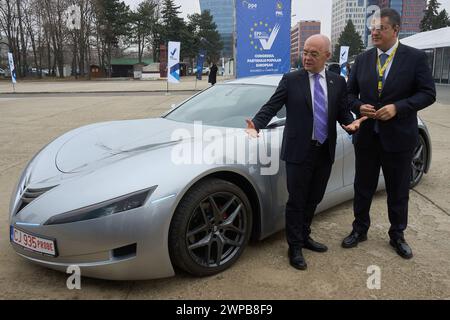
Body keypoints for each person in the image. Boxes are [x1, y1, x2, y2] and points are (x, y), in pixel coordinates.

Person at [246, 35, 366, 270]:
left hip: (324, 150)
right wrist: (257, 124)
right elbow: (273, 105)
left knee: (315, 198)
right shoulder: (291, 80)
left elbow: (342, 111)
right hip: (298, 150)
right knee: (297, 201)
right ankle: (295, 247)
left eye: (314, 53)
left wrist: (350, 123)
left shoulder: (337, 82)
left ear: (327, 56)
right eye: (305, 52)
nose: (307, 57)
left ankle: (304, 235)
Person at [342, 8, 436, 259]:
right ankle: (359, 229)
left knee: (398, 190)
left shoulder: (415, 58)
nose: (374, 32)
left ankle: (397, 235)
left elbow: (428, 93)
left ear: (395, 30)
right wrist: (358, 106)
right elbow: (349, 95)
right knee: (363, 187)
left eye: (381, 28)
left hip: (399, 137)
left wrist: (398, 108)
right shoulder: (362, 59)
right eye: (372, 28)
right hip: (367, 138)